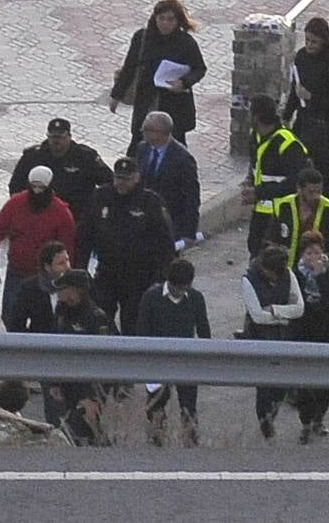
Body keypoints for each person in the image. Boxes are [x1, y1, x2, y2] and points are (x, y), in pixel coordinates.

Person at [79, 156, 175, 335]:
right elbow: (85, 236)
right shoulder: (101, 197)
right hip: (107, 272)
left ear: (137, 178)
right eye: (118, 178)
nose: (120, 183)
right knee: (100, 320)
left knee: (133, 324)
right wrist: (81, 270)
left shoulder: (150, 202)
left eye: (126, 179)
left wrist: (163, 276)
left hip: (139, 277)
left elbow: (165, 243)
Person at [109, 0, 207, 153]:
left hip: (174, 103)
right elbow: (130, 67)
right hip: (147, 101)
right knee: (138, 143)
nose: (165, 24)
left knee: (174, 148)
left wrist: (183, 82)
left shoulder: (186, 43)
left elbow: (199, 68)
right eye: (161, 19)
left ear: (177, 21)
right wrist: (116, 96)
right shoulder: (142, 38)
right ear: (155, 18)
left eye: (170, 19)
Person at [0, 165, 77, 325]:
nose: (37, 192)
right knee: (9, 316)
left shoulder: (62, 213)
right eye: (33, 186)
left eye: (41, 188)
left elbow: (67, 248)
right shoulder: (14, 204)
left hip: (44, 277)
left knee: (44, 321)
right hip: (17, 272)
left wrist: (66, 277)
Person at [136, 257, 210, 447]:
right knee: (156, 404)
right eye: (177, 288)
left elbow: (204, 331)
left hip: (187, 359)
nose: (180, 292)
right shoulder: (151, 297)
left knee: (188, 405)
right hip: (157, 358)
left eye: (185, 288)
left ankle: (190, 441)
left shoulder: (196, 298)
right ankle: (157, 439)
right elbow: (142, 330)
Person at [5, 240, 72, 426]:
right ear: (46, 267)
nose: (67, 266)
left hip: (74, 351)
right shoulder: (30, 288)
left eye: (67, 260)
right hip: (47, 353)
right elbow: (15, 323)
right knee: (55, 405)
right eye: (61, 263)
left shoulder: (78, 285)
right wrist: (35, 342)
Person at [240, 244, 303, 438]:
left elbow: (299, 308)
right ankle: (264, 421)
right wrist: (285, 316)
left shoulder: (288, 275)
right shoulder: (248, 280)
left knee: (282, 384)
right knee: (265, 385)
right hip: (260, 337)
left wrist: (276, 311)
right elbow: (257, 315)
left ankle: (271, 414)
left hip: (284, 338)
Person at [50, 269, 118, 445]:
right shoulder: (61, 311)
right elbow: (55, 346)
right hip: (67, 381)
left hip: (89, 385)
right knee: (66, 430)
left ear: (74, 291)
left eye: (62, 289)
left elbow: (107, 359)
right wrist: (54, 382)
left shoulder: (97, 318)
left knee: (89, 431)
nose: (58, 294)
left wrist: (94, 396)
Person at [291, 231, 329, 443]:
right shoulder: (295, 274)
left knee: (325, 382)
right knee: (305, 382)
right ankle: (305, 421)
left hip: (328, 332)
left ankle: (319, 418)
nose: (313, 256)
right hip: (303, 332)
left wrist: (321, 275)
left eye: (317, 251)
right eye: (309, 252)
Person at [8, 118, 112, 228]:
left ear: (69, 137)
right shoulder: (33, 156)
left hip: (76, 218)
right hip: (40, 216)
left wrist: (97, 209)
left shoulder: (85, 157)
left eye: (60, 137)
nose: (56, 141)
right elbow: (15, 186)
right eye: (53, 137)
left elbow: (108, 182)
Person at [240, 94, 309, 258]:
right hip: (260, 212)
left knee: (276, 259)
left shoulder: (288, 144)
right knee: (255, 251)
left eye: (250, 113)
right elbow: (256, 168)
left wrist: (259, 192)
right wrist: (249, 182)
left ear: (256, 117)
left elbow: (296, 181)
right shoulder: (255, 137)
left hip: (282, 214)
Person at [283, 16, 329, 183]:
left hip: (324, 125)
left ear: (324, 42)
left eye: (314, 42)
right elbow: (295, 91)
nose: (309, 45)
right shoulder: (301, 57)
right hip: (304, 122)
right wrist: (287, 115)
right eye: (307, 40)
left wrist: (311, 97)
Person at [134, 111, 202, 245]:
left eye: (147, 129)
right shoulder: (142, 149)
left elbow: (191, 197)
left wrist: (188, 233)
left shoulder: (182, 159)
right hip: (144, 221)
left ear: (159, 133)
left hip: (170, 224)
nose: (142, 132)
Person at [269, 167, 329, 272]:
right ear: (299, 189)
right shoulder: (283, 207)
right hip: (286, 272)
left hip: (319, 274)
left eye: (319, 192)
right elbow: (271, 240)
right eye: (311, 192)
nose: (316, 196)